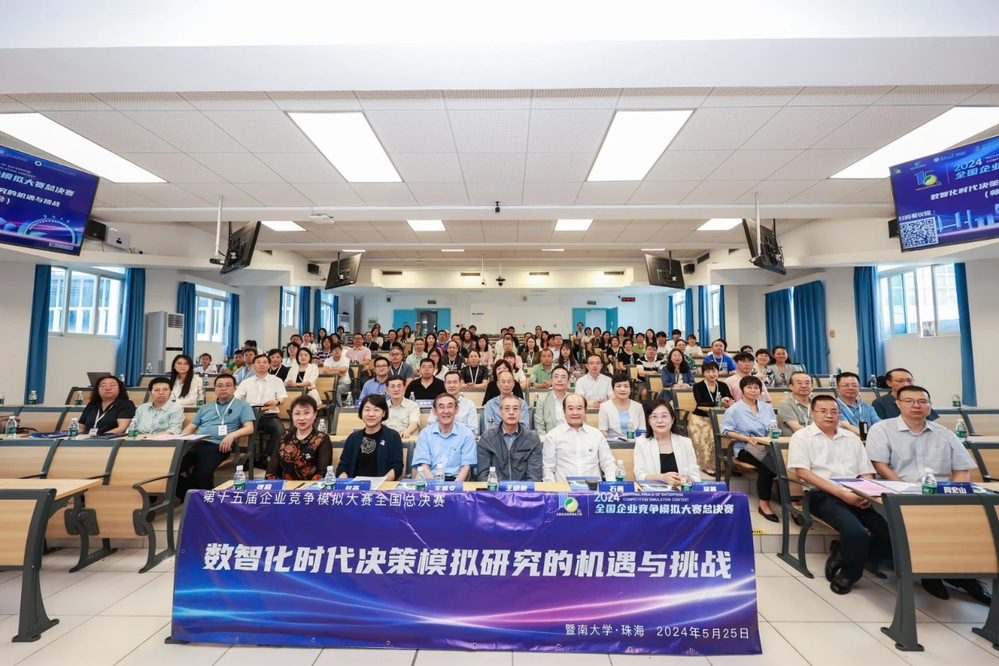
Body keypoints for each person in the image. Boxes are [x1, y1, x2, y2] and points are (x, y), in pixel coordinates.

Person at [869, 386, 990, 605]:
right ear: (898, 404)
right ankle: (932, 574)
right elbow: (880, 465)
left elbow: (961, 469)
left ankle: (965, 576)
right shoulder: (882, 429)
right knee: (924, 523)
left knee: (970, 522)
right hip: (898, 494)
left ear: (930, 405)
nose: (916, 405)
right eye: (909, 401)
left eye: (922, 401)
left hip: (941, 495)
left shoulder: (945, 433)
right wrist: (904, 489)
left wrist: (954, 495)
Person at [787, 395, 892, 595]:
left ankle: (844, 552)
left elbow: (866, 471)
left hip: (856, 494)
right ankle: (849, 574)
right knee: (856, 533)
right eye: (823, 411)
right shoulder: (802, 437)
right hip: (821, 495)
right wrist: (842, 494)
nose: (829, 415)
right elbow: (803, 473)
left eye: (834, 411)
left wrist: (865, 493)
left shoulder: (851, 438)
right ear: (812, 413)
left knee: (890, 532)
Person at [176, 374, 255, 498]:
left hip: (218, 446)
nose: (223, 388)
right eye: (219, 386)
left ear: (235, 388)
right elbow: (190, 428)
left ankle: (207, 501)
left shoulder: (243, 405)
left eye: (228, 385)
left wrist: (231, 435)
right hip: (196, 444)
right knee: (169, 472)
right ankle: (194, 497)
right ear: (215, 389)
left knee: (201, 476)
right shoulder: (205, 407)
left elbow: (249, 428)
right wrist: (178, 441)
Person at [720, 375, 780, 522]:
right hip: (744, 447)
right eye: (749, 387)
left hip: (766, 446)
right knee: (766, 467)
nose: (753, 390)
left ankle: (788, 498)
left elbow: (774, 428)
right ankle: (764, 504)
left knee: (783, 462)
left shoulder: (767, 407)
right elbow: (726, 431)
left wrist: (768, 437)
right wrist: (746, 439)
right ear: (742, 390)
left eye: (756, 388)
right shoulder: (734, 409)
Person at [543, 394, 616, 482]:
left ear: (586, 410)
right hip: (565, 488)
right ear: (564, 411)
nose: (575, 413)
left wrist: (611, 485)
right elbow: (548, 468)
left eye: (579, 408)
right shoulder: (553, 435)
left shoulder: (596, 435)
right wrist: (553, 489)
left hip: (593, 489)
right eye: (570, 409)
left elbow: (608, 463)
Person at [234, 353, 288, 468]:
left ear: (269, 365)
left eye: (265, 362)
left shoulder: (277, 380)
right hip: (250, 415)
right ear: (253, 365)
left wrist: (275, 402)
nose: (262, 365)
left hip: (269, 415)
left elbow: (282, 399)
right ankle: (248, 458)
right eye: (258, 362)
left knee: (280, 431)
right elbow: (236, 398)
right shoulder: (246, 382)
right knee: (241, 429)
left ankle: (264, 457)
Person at [336, 394, 404, 481]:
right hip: (355, 486)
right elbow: (342, 467)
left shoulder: (392, 436)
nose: (371, 414)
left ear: (384, 413)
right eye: (367, 410)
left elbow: (397, 467)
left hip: (382, 485)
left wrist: (381, 482)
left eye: (376, 410)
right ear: (361, 413)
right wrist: (346, 482)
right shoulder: (353, 438)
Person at [477, 395, 543, 482]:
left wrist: (523, 490)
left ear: (521, 412)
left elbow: (534, 475)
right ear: (500, 411)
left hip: (523, 489)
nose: (511, 412)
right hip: (495, 489)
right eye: (507, 408)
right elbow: (483, 474)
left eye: (515, 409)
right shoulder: (487, 438)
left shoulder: (532, 439)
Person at [412, 393, 477, 481]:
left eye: (450, 407)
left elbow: (466, 467)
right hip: (430, 480)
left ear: (456, 410)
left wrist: (454, 487)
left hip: (456, 481)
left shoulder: (466, 434)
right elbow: (424, 465)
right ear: (434, 411)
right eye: (441, 407)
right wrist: (434, 486)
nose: (446, 411)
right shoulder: (425, 434)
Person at [266, 395, 332, 481]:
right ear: (292, 415)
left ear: (315, 414)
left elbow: (322, 474)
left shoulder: (322, 439)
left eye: (306, 413)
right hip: (285, 487)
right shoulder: (283, 440)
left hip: (311, 488)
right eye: (297, 414)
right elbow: (271, 472)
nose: (301, 418)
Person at [634, 400, 701, 484]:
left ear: (672, 420)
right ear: (649, 421)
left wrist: (685, 480)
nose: (659, 420)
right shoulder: (641, 442)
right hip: (654, 491)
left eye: (664, 416)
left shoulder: (685, 442)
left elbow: (696, 476)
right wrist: (661, 477)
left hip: (681, 490)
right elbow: (640, 476)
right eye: (654, 417)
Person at [689, 361, 734, 475]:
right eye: (708, 371)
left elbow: (731, 398)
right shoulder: (698, 386)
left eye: (714, 371)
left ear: (718, 372)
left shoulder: (723, 385)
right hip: (700, 418)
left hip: (720, 418)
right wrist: (719, 402)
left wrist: (729, 402)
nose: (711, 374)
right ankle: (707, 465)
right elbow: (700, 403)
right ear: (703, 373)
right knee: (708, 435)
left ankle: (730, 464)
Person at [872, 368, 940, 421]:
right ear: (889, 383)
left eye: (909, 380)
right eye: (900, 381)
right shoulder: (880, 403)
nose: (906, 384)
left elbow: (930, 422)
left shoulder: (920, 399)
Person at [427, 370, 480, 436]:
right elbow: (430, 426)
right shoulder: (437, 403)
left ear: (460, 384)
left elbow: (473, 430)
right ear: (444, 385)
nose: (452, 385)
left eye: (455, 382)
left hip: (463, 439)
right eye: (449, 382)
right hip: (440, 439)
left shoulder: (469, 404)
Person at [598, 373, 645, 439]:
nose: (622, 389)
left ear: (630, 390)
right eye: (618, 386)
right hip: (613, 443)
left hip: (635, 442)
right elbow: (603, 431)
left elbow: (642, 430)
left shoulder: (638, 407)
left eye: (626, 386)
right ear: (613, 389)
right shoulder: (604, 406)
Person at [835, 372, 881, 437]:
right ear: (837, 387)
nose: (850, 388)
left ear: (859, 387)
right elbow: (846, 426)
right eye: (845, 385)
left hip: (870, 440)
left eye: (854, 385)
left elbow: (879, 425)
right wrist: (869, 436)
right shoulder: (833, 407)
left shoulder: (868, 407)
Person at [534, 366, 572, 437]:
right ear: (551, 380)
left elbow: (581, 423)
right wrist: (547, 441)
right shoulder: (542, 400)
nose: (559, 380)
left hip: (571, 438)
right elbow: (539, 427)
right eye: (556, 377)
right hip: (550, 439)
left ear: (568, 382)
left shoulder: (575, 400)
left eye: (563, 377)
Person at [384, 375, 420, 440]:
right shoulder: (383, 406)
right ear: (386, 390)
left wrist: (407, 431)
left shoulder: (413, 405)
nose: (396, 389)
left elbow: (414, 423)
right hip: (387, 440)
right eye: (392, 386)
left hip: (405, 439)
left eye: (399, 386)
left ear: (405, 387)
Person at [777, 372, 813, 436]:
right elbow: (796, 428)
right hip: (795, 440)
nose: (804, 386)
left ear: (812, 387)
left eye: (807, 383)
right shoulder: (786, 404)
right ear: (791, 387)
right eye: (799, 383)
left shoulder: (818, 404)